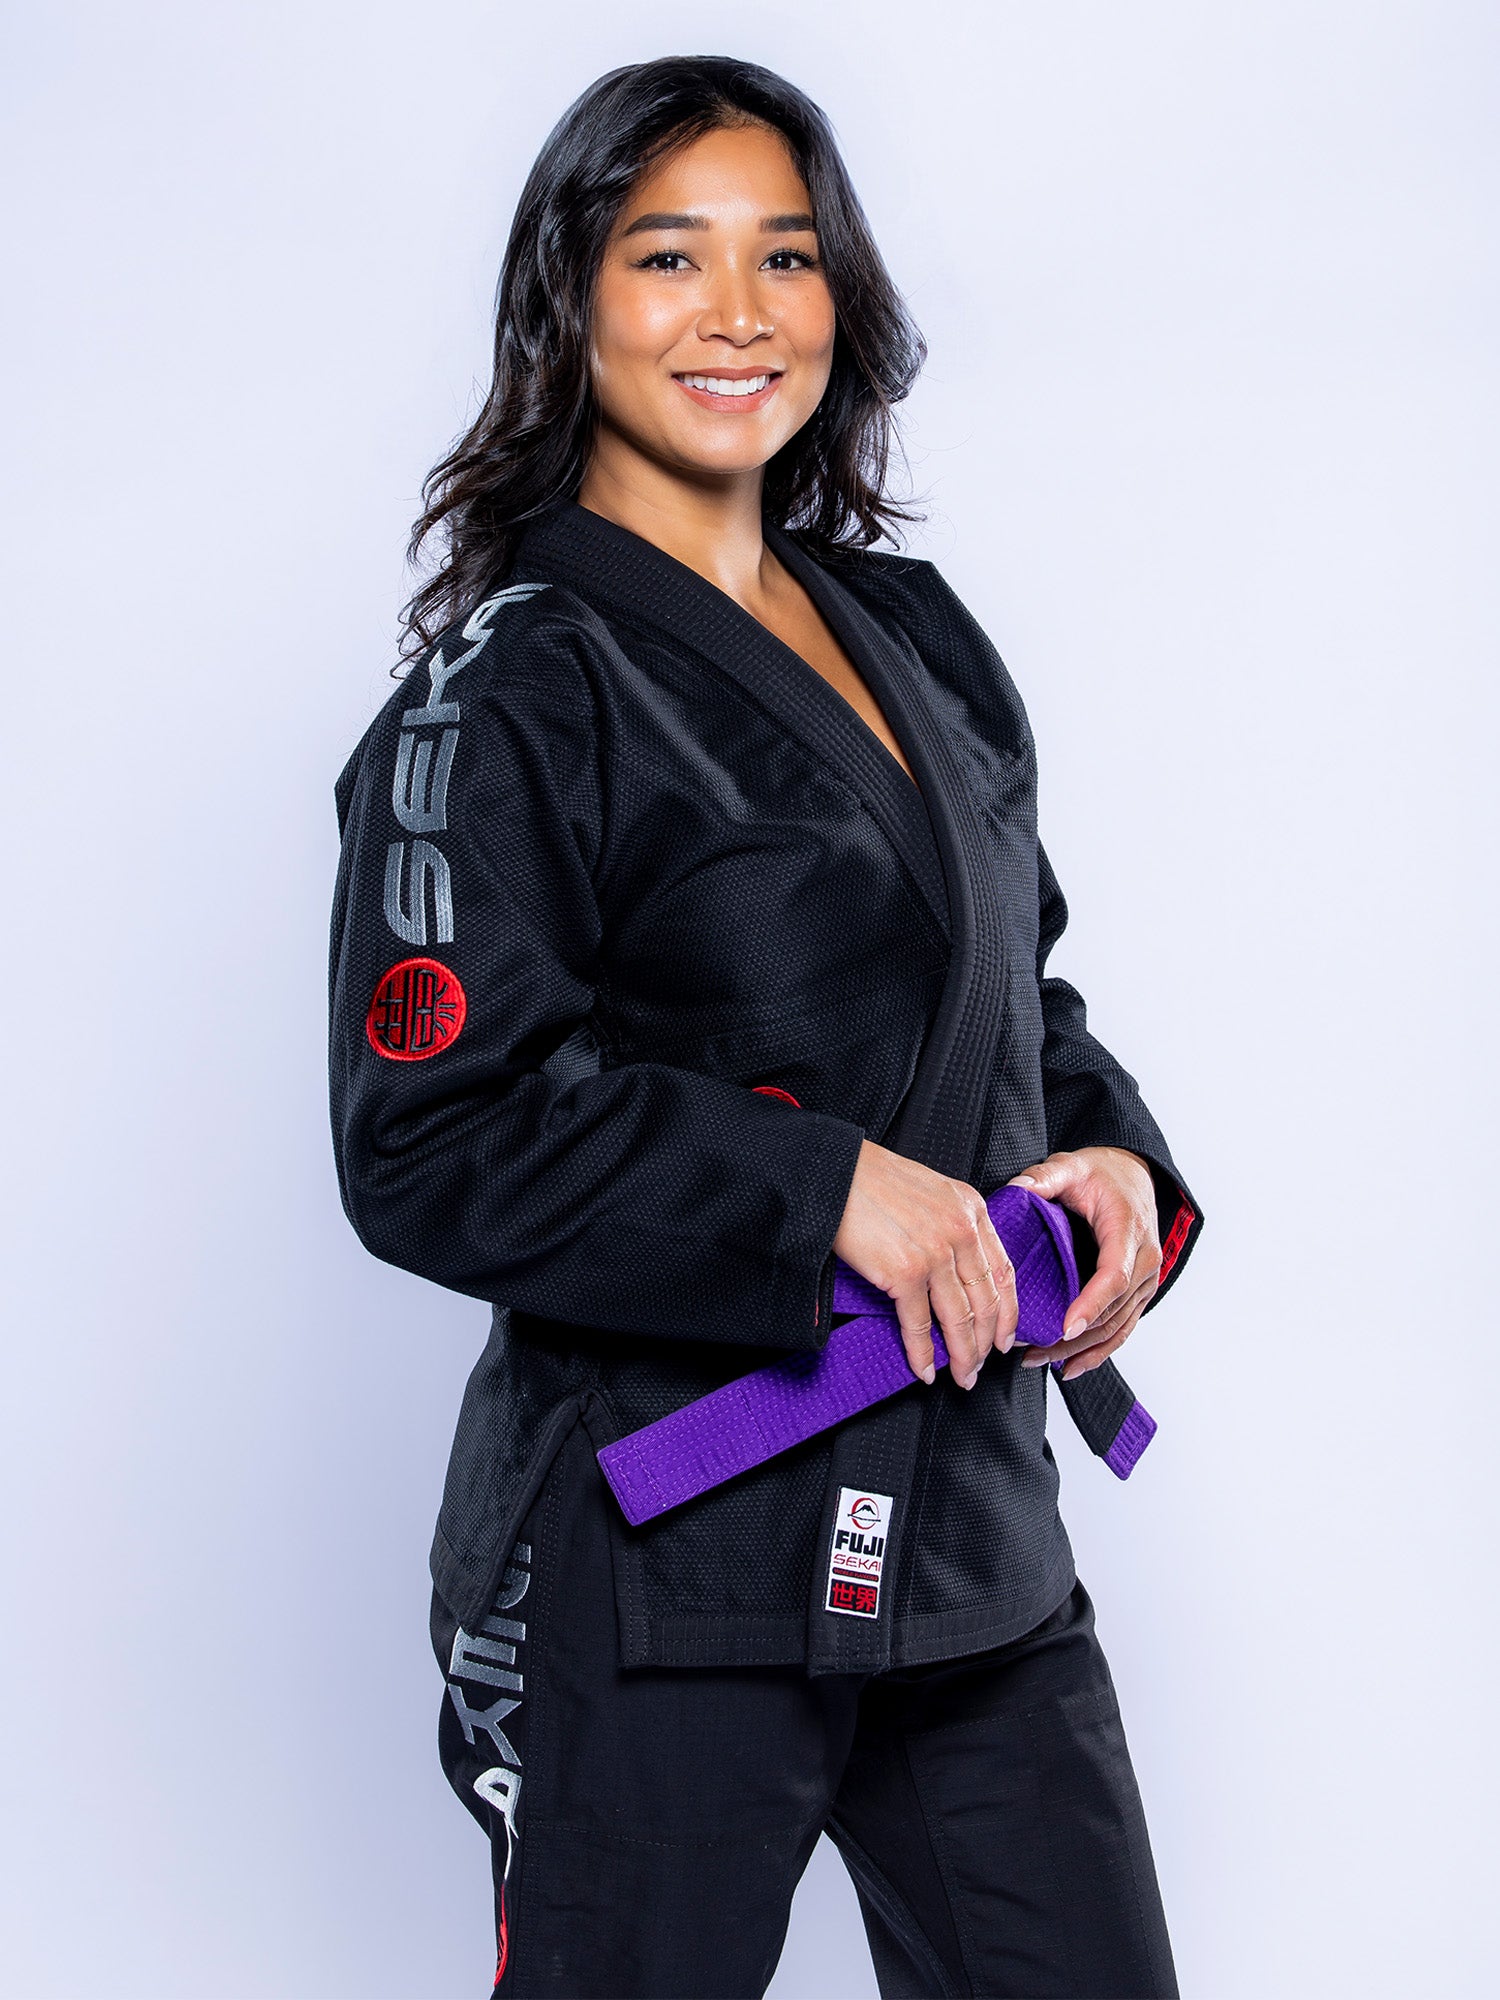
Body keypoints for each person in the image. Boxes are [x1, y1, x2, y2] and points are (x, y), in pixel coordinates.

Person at [328, 53, 1203, 2000]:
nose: (739, 311)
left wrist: (1118, 1164)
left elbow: (1014, 996)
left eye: (785, 257)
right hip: (660, 1560)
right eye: (671, 255)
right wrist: (823, 1195)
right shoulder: (504, 700)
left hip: (972, 1542)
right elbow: (431, 1136)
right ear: (572, 303)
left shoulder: (923, 638)